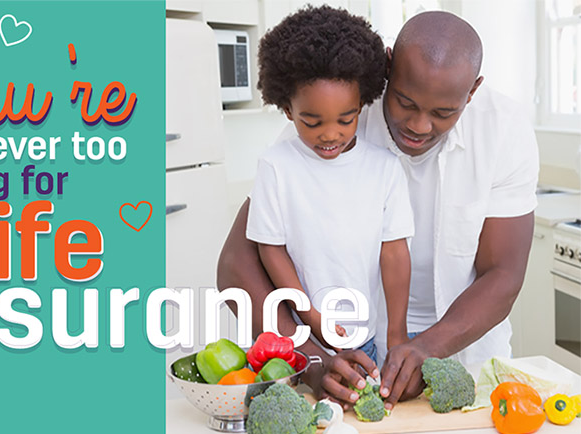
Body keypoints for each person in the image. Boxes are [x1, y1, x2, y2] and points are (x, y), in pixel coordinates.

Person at [217, 10, 538, 411]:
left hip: (465, 354)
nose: (420, 126)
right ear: (388, 67)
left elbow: (505, 275)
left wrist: (425, 348)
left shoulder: (505, 130)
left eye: (443, 113)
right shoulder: (335, 115)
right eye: (405, 102)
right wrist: (311, 358)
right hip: (340, 350)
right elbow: (235, 266)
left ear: (472, 92)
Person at [246, 5, 413, 363]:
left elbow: (395, 252)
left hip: (363, 341)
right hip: (297, 343)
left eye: (345, 119)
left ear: (362, 103)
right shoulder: (276, 166)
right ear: (288, 110)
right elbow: (270, 250)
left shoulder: (384, 169)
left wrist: (396, 334)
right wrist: (313, 319)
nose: (330, 134)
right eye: (311, 121)